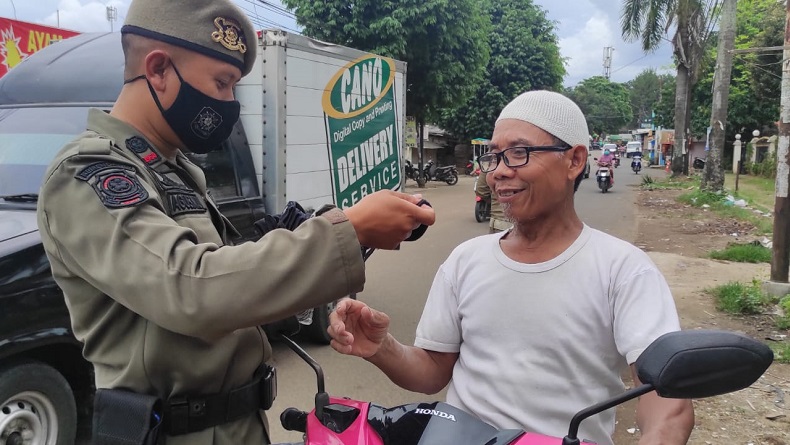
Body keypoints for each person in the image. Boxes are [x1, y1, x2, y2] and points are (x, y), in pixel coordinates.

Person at [35, 1, 435, 444]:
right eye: (222, 83)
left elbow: (231, 278)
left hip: (233, 424)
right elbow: (192, 288)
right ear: (159, 69)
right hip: (172, 431)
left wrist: (334, 230)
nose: (229, 103)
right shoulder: (87, 173)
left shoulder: (174, 171)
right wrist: (350, 230)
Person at [328, 90, 694, 445]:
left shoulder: (624, 270)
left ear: (575, 160)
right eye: (494, 157)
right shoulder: (465, 261)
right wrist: (382, 348)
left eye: (519, 153)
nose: (498, 172)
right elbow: (432, 371)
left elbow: (666, 395)